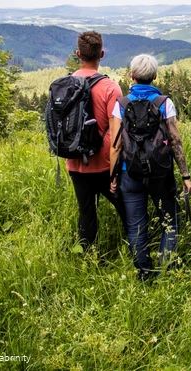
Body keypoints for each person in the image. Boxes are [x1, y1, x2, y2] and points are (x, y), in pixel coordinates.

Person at [110, 54, 191, 281]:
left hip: (130, 173)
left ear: (132, 76)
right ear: (155, 76)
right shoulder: (164, 103)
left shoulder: (121, 105)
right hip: (161, 174)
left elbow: (116, 146)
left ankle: (145, 274)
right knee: (170, 220)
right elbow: (175, 141)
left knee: (136, 225)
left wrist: (113, 178)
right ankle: (166, 268)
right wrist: (186, 176)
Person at [66, 31, 128, 250]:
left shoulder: (66, 85)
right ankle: (137, 249)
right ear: (101, 54)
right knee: (125, 207)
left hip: (74, 162)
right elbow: (117, 137)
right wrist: (114, 173)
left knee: (86, 213)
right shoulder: (111, 88)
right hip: (103, 163)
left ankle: (86, 256)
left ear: (78, 54)